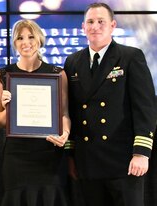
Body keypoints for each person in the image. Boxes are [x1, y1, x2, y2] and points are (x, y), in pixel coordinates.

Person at [64, 3, 157, 206]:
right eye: (90, 22)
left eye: (101, 22)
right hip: (87, 162)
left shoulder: (130, 57)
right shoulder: (72, 62)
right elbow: (70, 110)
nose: (95, 26)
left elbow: (145, 108)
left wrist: (141, 152)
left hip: (124, 161)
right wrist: (70, 155)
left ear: (112, 25)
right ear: (83, 27)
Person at [0, 19, 71, 206]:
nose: (25, 42)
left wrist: (65, 134)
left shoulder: (57, 73)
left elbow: (64, 114)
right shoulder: (1, 75)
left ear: (40, 40)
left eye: (30, 36)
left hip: (49, 153)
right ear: (14, 43)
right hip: (16, 156)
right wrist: (9, 108)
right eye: (20, 38)